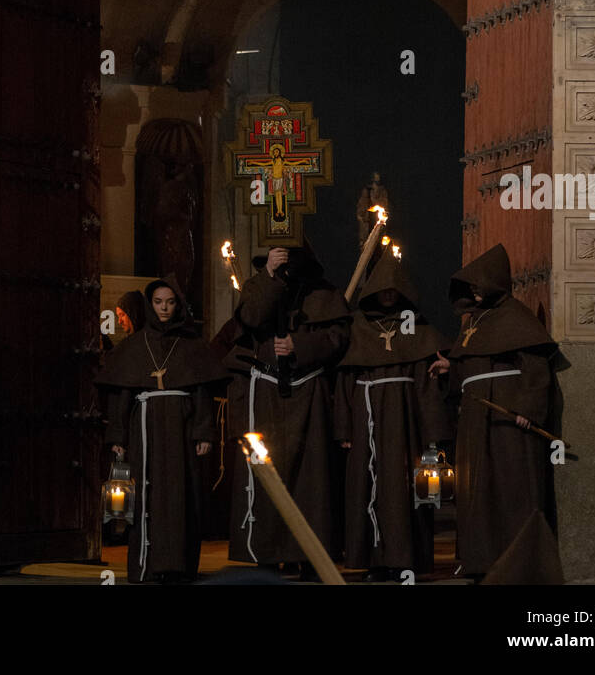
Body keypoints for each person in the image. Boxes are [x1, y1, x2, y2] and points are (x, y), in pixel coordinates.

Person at [430, 243, 562, 580]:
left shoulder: (517, 318)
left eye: (478, 284)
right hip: (476, 419)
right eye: (470, 287)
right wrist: (451, 368)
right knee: (477, 490)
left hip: (507, 419)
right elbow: (471, 368)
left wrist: (527, 409)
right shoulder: (473, 322)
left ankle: (518, 560)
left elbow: (536, 370)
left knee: (511, 488)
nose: (474, 292)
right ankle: (480, 560)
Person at [224, 244, 350, 576]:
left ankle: (310, 556)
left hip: (309, 394)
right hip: (265, 394)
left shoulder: (324, 294)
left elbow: (338, 338)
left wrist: (300, 346)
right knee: (269, 473)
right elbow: (251, 317)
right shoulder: (257, 286)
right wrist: (269, 277)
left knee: (312, 480)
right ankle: (269, 553)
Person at [96, 277, 227, 584]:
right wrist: (118, 437)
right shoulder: (135, 345)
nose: (164, 308)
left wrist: (204, 432)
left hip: (181, 427)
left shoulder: (192, 346)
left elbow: (201, 391)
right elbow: (123, 393)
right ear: (150, 305)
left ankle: (178, 565)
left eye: (169, 302)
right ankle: (147, 565)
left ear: (177, 304)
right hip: (145, 426)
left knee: (183, 494)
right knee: (147, 493)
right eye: (158, 302)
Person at [335, 251, 450, 581]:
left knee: (402, 486)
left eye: (392, 289)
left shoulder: (416, 325)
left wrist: (432, 431)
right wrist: (344, 427)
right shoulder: (357, 325)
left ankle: (404, 558)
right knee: (365, 484)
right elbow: (344, 380)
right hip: (364, 415)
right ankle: (372, 559)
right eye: (381, 289)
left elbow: (426, 379)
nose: (388, 295)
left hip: (403, 420)